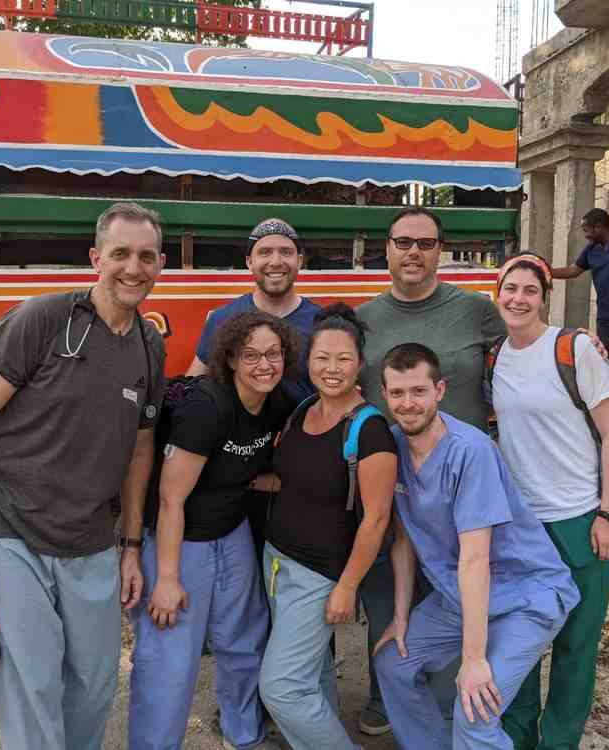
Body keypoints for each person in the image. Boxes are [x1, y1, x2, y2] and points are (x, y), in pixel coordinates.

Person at [0, 202, 167, 750]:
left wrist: (131, 545)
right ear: (96, 258)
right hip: (11, 530)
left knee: (94, 683)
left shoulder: (148, 345)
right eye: (120, 254)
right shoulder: (44, 320)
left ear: (160, 264)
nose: (133, 268)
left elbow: (139, 450)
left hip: (91, 538)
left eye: (146, 256)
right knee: (32, 686)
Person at [371, 342, 580, 750]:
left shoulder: (470, 450)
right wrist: (400, 617)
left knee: (474, 709)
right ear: (385, 395)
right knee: (393, 663)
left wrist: (473, 659)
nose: (408, 403)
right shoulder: (392, 446)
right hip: (460, 596)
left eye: (418, 391)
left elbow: (475, 558)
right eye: (397, 393)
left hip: (524, 596)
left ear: (440, 390)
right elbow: (403, 540)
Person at [353, 206, 506, 735]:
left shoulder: (476, 310)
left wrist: (578, 342)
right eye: (403, 242)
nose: (413, 252)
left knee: (456, 590)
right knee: (384, 589)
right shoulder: (364, 319)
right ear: (387, 249)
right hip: (388, 481)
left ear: (441, 250)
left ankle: (446, 703)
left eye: (425, 242)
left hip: (462, 482)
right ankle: (386, 693)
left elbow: (522, 345)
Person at [128, 311, 295, 750]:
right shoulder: (207, 407)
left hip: (230, 529)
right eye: (251, 355)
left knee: (244, 640)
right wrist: (167, 579)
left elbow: (247, 473)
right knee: (170, 658)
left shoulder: (277, 402)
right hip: (180, 540)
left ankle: (244, 734)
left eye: (273, 354)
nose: (264, 365)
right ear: (231, 359)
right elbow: (171, 499)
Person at [489, 255, 609, 750]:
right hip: (519, 524)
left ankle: (560, 742)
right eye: (510, 288)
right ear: (497, 294)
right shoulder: (494, 356)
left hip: (579, 519)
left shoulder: (574, 349)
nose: (518, 299)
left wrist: (608, 513)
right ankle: (517, 737)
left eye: (530, 290)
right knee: (518, 644)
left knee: (576, 646)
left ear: (545, 297)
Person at [259, 303, 397, 750]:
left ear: (360, 364)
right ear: (308, 361)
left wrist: (347, 586)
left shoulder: (370, 431)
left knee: (282, 686)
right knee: (312, 677)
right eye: (322, 358)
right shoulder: (302, 410)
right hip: (278, 562)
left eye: (343, 359)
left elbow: (376, 519)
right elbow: (292, 479)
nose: (331, 368)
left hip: (320, 575)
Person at [186, 218, 320, 405]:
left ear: (299, 261)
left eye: (285, 252)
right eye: (265, 252)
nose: (275, 261)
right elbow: (191, 389)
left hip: (303, 423)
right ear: (249, 261)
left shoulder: (321, 323)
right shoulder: (222, 319)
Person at [552, 208, 609, 410]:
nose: (585, 235)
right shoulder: (591, 249)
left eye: (587, 230)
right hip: (604, 316)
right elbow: (573, 270)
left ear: (599, 227)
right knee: (607, 363)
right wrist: (546, 272)